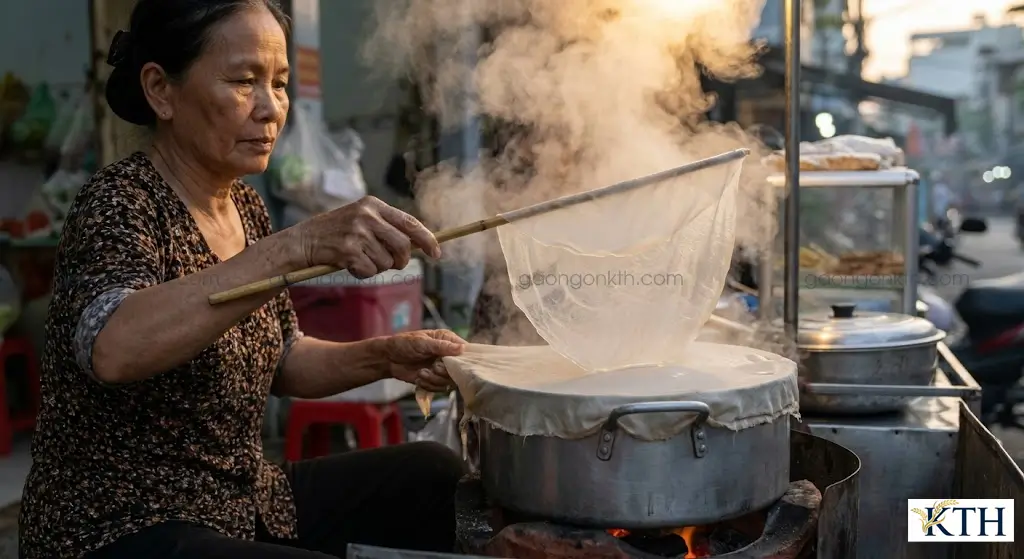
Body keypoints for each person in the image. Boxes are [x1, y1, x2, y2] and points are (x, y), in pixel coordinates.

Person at [17, 1, 467, 558]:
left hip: (239, 499)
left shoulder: (247, 208)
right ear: (161, 90)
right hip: (124, 522)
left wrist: (387, 356)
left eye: (279, 84)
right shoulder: (119, 202)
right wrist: (295, 246)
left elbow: (282, 357)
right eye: (243, 81)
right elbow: (114, 347)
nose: (270, 109)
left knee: (435, 477)